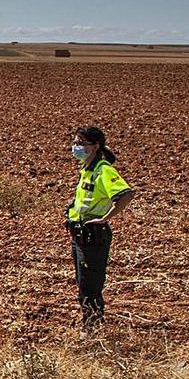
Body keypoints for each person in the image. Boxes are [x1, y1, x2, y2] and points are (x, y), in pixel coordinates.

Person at [66, 126, 135, 335]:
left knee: (90, 288)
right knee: (82, 285)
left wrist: (105, 219)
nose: (76, 147)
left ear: (96, 146)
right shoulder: (87, 169)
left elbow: (126, 194)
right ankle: (89, 328)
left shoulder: (103, 170)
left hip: (93, 237)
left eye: (82, 143)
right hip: (79, 235)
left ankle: (92, 332)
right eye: (75, 142)